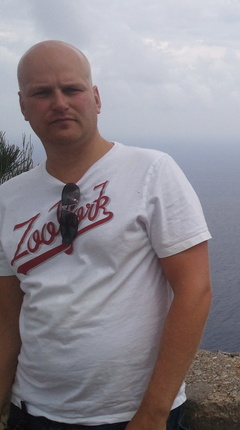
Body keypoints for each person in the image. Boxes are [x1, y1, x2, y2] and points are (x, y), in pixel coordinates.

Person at [0, 40, 212, 429]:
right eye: (42, 93)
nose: (59, 103)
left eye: (72, 89)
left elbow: (194, 291)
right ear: (23, 106)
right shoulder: (8, 199)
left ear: (96, 98)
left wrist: (154, 412)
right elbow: (7, 318)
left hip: (129, 415)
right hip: (31, 411)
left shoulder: (151, 172)